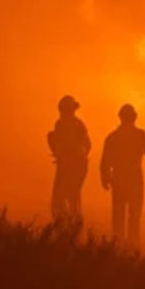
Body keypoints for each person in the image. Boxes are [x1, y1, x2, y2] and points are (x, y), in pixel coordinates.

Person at [100, 103, 145, 245]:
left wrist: (105, 178)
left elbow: (105, 161)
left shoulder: (113, 137)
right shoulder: (139, 135)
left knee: (118, 215)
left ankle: (117, 244)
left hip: (118, 179)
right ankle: (133, 244)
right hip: (135, 179)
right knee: (134, 215)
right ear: (134, 118)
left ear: (121, 118)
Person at [47, 94, 91, 223]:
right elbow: (88, 145)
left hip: (70, 165)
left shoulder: (64, 124)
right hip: (76, 164)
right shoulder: (77, 123)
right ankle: (72, 224)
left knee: (63, 198)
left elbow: (82, 145)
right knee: (72, 197)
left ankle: (68, 225)